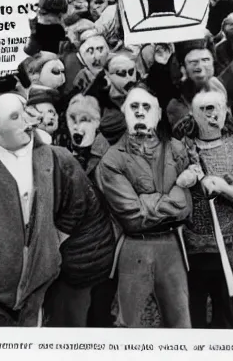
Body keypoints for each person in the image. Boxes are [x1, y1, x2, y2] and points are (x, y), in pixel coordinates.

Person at [0, 78, 103, 326]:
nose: (28, 122)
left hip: (36, 296)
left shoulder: (54, 156)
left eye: (27, 113)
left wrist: (50, 245)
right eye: (16, 117)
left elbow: (79, 203)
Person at [96, 84, 193, 328]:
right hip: (134, 247)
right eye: (134, 107)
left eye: (146, 106)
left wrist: (149, 201)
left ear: (158, 113)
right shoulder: (111, 160)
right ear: (124, 112)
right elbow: (133, 215)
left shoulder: (177, 149)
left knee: (180, 322)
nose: (140, 112)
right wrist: (174, 195)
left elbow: (186, 207)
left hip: (172, 246)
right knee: (130, 324)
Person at [182, 88, 233, 328]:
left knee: (224, 304)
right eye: (205, 109)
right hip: (191, 239)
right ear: (193, 115)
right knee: (193, 303)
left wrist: (223, 187)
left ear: (226, 112)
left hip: (226, 237)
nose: (212, 114)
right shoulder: (182, 148)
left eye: (216, 107)